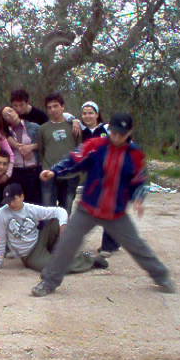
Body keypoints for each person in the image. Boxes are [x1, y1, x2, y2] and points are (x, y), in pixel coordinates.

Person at [31, 113, 176, 297]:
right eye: (114, 133)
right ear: (109, 130)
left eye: (121, 134)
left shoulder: (135, 154)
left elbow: (140, 181)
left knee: (137, 246)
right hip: (88, 208)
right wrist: (54, 171)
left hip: (116, 213)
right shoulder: (95, 146)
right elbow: (74, 160)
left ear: (129, 132)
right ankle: (49, 282)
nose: (117, 137)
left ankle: (162, 277)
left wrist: (139, 198)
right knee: (67, 244)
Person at [0, 183, 107, 272]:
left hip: (40, 239)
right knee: (54, 267)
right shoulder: (1, 214)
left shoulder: (31, 208)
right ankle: (88, 259)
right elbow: (0, 240)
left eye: (13, 200)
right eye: (8, 201)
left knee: (57, 221)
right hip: (29, 254)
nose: (10, 204)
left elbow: (59, 211)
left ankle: (65, 252)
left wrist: (63, 225)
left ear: (22, 197)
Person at [78, 100, 120, 257]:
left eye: (91, 113)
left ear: (97, 114)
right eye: (84, 113)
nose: (87, 116)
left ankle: (108, 245)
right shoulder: (80, 130)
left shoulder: (106, 129)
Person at [38, 93, 80, 213]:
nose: (53, 110)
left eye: (55, 106)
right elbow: (41, 150)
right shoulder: (43, 129)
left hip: (70, 175)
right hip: (49, 174)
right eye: (49, 107)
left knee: (65, 212)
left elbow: (79, 148)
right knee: (47, 212)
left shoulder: (74, 126)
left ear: (62, 107)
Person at [2, 105, 42, 205]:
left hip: (33, 170)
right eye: (6, 115)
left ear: (15, 111)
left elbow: (45, 143)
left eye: (10, 111)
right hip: (16, 172)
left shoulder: (34, 127)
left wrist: (31, 147)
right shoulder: (5, 133)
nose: (10, 114)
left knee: (35, 203)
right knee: (18, 203)